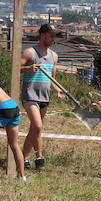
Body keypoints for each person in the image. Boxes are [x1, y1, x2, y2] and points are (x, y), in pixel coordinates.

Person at [19, 23, 64, 171]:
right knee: (37, 126)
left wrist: (58, 90)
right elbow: (15, 69)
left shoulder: (54, 56)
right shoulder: (30, 53)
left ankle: (25, 158)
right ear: (42, 35)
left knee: (35, 129)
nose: (53, 39)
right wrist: (28, 68)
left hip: (44, 97)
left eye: (54, 36)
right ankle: (36, 157)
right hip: (30, 95)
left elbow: (51, 79)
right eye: (51, 36)